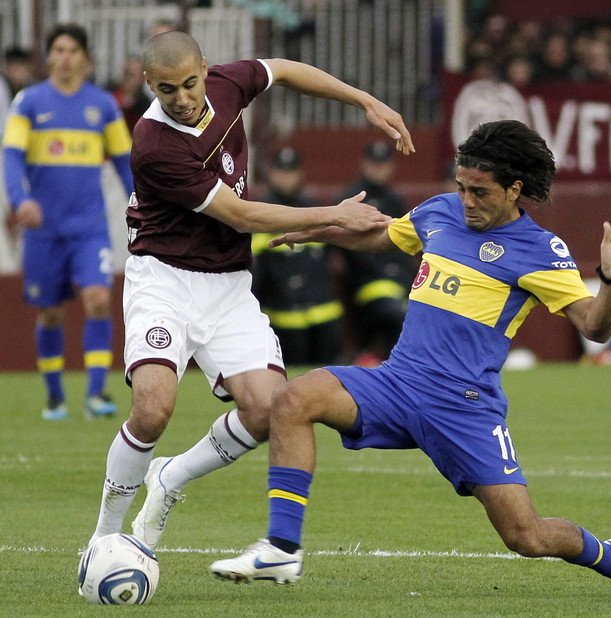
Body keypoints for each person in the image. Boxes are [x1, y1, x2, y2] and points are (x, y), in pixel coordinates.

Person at [209, 119, 611, 599]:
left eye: (479, 192)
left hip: (463, 406)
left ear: (514, 189)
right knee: (294, 399)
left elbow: (594, 327)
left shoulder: (541, 251)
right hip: (396, 383)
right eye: (461, 187)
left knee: (526, 536)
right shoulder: (441, 211)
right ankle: (282, 549)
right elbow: (382, 238)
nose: (467, 201)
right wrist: (319, 233)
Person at [83, 31, 414, 553]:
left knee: (268, 411)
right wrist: (333, 213)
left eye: (191, 83)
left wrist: (363, 100)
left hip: (228, 284)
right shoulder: (153, 144)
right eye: (168, 90)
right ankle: (104, 538)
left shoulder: (228, 84)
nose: (184, 98)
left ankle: (170, 478)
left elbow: (283, 68)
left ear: (206, 71)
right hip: (164, 279)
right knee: (152, 409)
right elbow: (240, 214)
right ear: (150, 85)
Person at [2, 24, 134, 420]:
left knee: (98, 300)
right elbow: (10, 157)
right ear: (49, 57)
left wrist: (140, 201)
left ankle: (96, 393)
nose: (65, 57)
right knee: (50, 313)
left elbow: (125, 162)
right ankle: (55, 396)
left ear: (85, 58)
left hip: (89, 227)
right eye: (58, 49)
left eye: (72, 49)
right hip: (43, 230)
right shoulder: (28, 102)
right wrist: (21, 200)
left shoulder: (103, 105)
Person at [252, 146, 343, 365]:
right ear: (271, 173)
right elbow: (255, 270)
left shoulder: (313, 209)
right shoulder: (261, 212)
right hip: (283, 316)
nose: (287, 178)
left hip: (324, 312)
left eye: (291, 171)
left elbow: (328, 252)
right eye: (281, 171)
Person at [335, 140, 417, 366]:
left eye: (384, 164)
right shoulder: (353, 197)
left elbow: (405, 241)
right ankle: (393, 365)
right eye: (374, 163)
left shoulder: (395, 199)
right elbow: (348, 246)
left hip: (399, 282)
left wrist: (401, 274)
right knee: (393, 315)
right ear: (365, 164)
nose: (379, 169)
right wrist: (385, 271)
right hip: (367, 283)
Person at [109, 54, 153, 132]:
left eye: (130, 74)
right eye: (125, 73)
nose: (126, 78)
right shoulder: (109, 97)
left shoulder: (146, 108)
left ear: (141, 79)